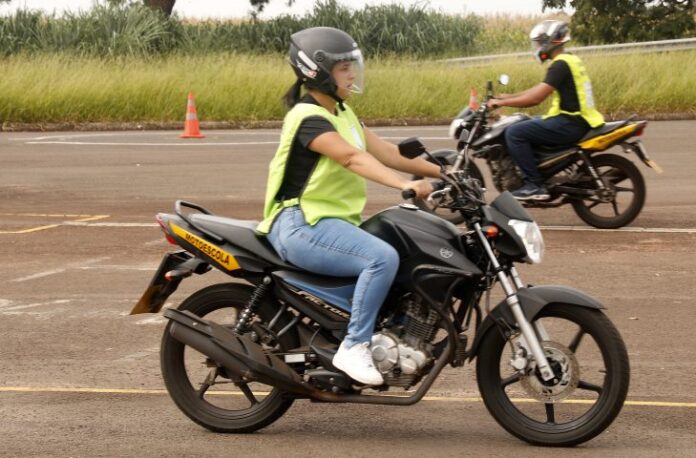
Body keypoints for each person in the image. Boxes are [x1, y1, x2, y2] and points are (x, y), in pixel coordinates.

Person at [256, 27, 441, 386]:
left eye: (351, 66)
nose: (352, 75)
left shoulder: (342, 112)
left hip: (331, 223)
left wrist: (446, 171)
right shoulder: (308, 118)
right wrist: (404, 185)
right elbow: (351, 158)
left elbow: (388, 152)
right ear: (318, 73)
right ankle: (354, 346)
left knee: (403, 249)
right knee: (380, 258)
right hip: (300, 224)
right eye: (343, 68)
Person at [487, 20, 605, 201]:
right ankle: (541, 170)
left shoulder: (560, 65)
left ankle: (534, 185)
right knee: (524, 121)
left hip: (571, 123)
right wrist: (507, 97)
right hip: (577, 119)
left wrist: (503, 103)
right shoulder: (569, 59)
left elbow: (536, 98)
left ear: (550, 41)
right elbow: (540, 88)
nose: (537, 47)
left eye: (540, 43)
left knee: (515, 133)